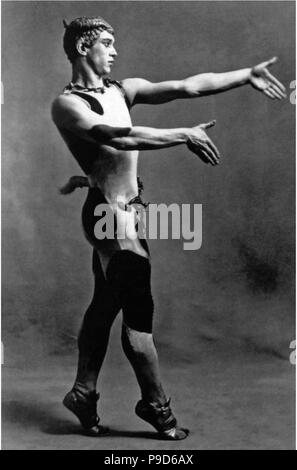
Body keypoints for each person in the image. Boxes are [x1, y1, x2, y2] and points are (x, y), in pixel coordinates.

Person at [51, 16, 286, 439]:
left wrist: (245, 75)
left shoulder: (124, 90)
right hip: (108, 214)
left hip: (131, 209)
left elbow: (189, 85)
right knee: (139, 313)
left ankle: (83, 392)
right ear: (84, 47)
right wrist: (181, 135)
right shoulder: (67, 105)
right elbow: (115, 137)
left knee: (106, 303)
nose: (116, 51)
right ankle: (156, 406)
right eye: (107, 42)